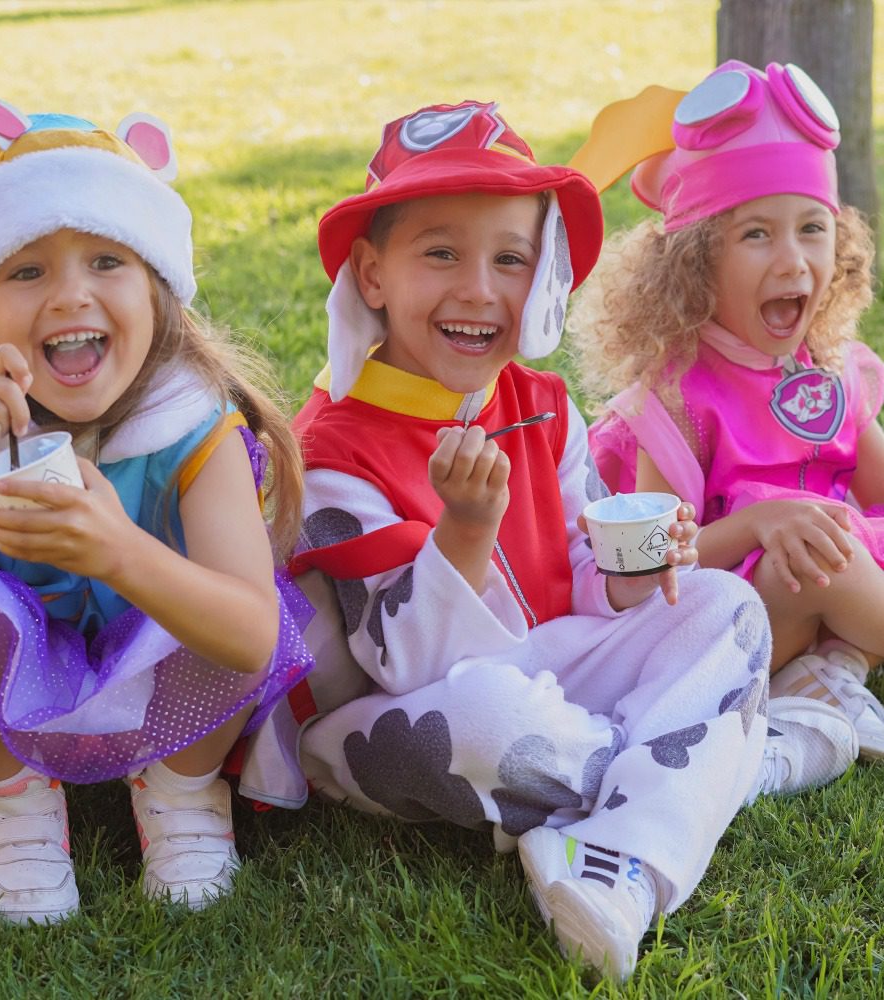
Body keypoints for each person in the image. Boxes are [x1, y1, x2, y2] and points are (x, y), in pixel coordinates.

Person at [244, 99, 791, 982]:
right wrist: (463, 531)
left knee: (726, 603)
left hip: (550, 663)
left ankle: (613, 853)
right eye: (441, 254)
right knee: (495, 720)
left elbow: (581, 569)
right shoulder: (331, 453)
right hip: (406, 716)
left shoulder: (542, 404)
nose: (479, 290)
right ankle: (699, 767)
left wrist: (631, 574)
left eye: (510, 259)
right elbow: (403, 665)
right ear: (372, 274)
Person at [0, 95, 314, 923]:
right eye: (27, 270)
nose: (70, 295)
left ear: (157, 291)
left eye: (107, 260)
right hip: (14, 681)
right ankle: (10, 800)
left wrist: (120, 551)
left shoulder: (195, 429)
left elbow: (251, 638)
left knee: (229, 601)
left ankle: (182, 790)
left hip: (170, 682)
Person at [570, 60, 884, 762]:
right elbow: (653, 560)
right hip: (738, 614)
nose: (793, 260)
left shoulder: (834, 365)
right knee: (819, 562)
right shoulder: (678, 397)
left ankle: (829, 674)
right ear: (693, 262)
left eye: (812, 228)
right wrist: (756, 524)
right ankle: (828, 663)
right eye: (756, 234)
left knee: (831, 552)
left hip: (825, 588)